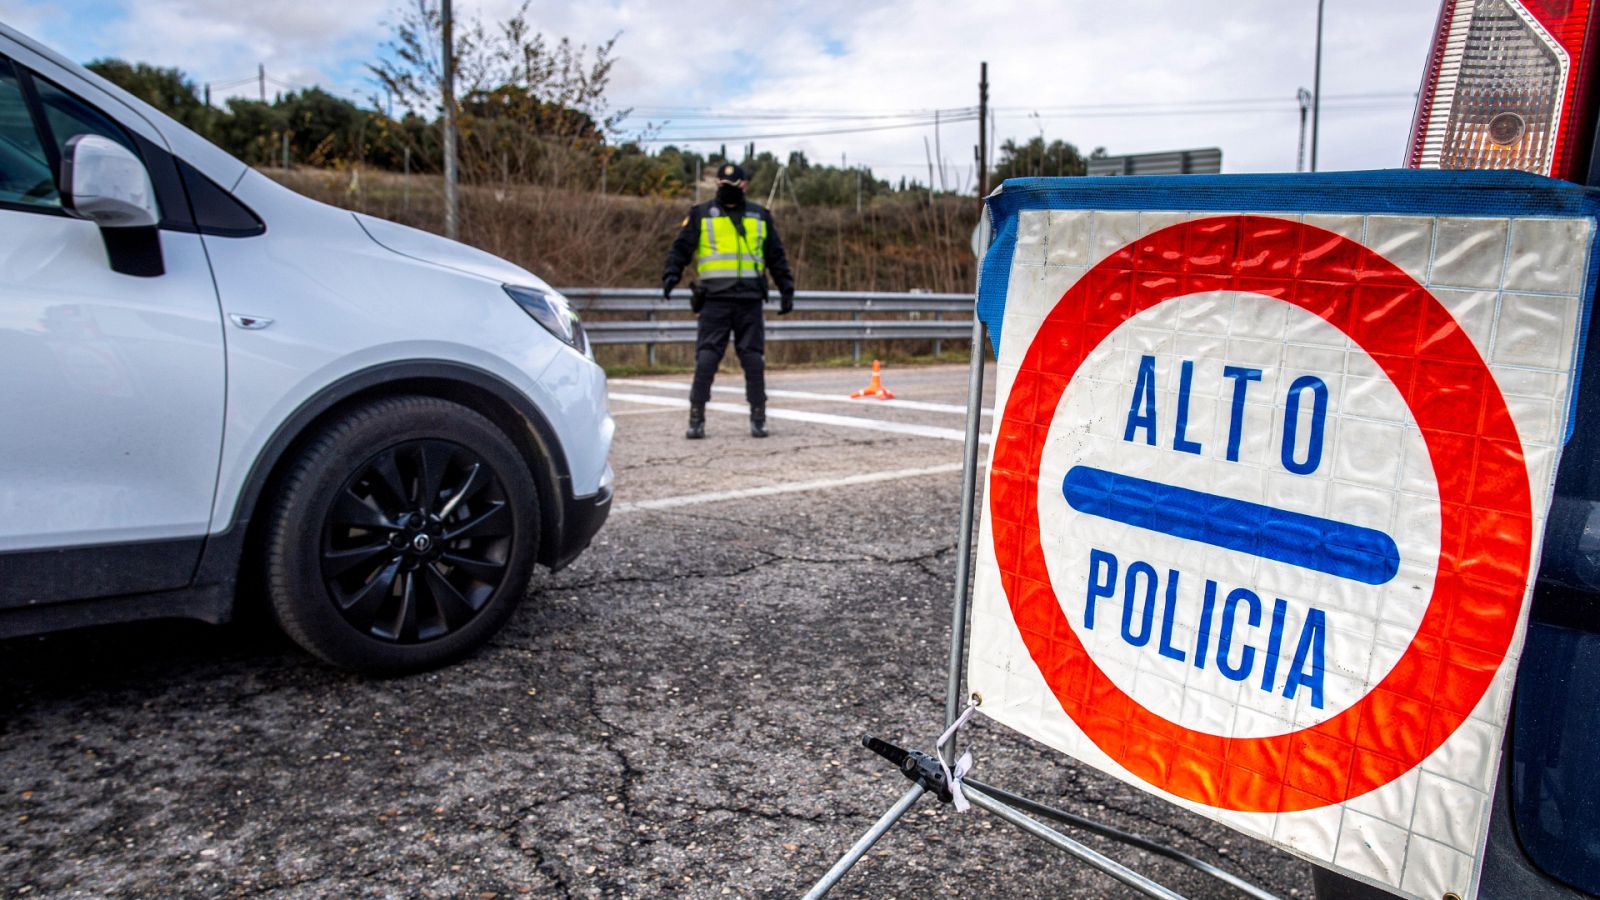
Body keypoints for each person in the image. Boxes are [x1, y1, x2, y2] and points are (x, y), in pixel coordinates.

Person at [662, 162, 795, 439]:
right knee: (707, 359)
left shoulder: (760, 216)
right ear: (717, 186)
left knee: (753, 360)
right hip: (715, 299)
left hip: (748, 299)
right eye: (724, 185)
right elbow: (682, 248)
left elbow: (775, 255)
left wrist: (786, 288)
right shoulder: (700, 214)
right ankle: (696, 417)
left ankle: (758, 416)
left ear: (744, 185)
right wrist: (671, 274)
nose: (728, 189)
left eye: (732, 185)